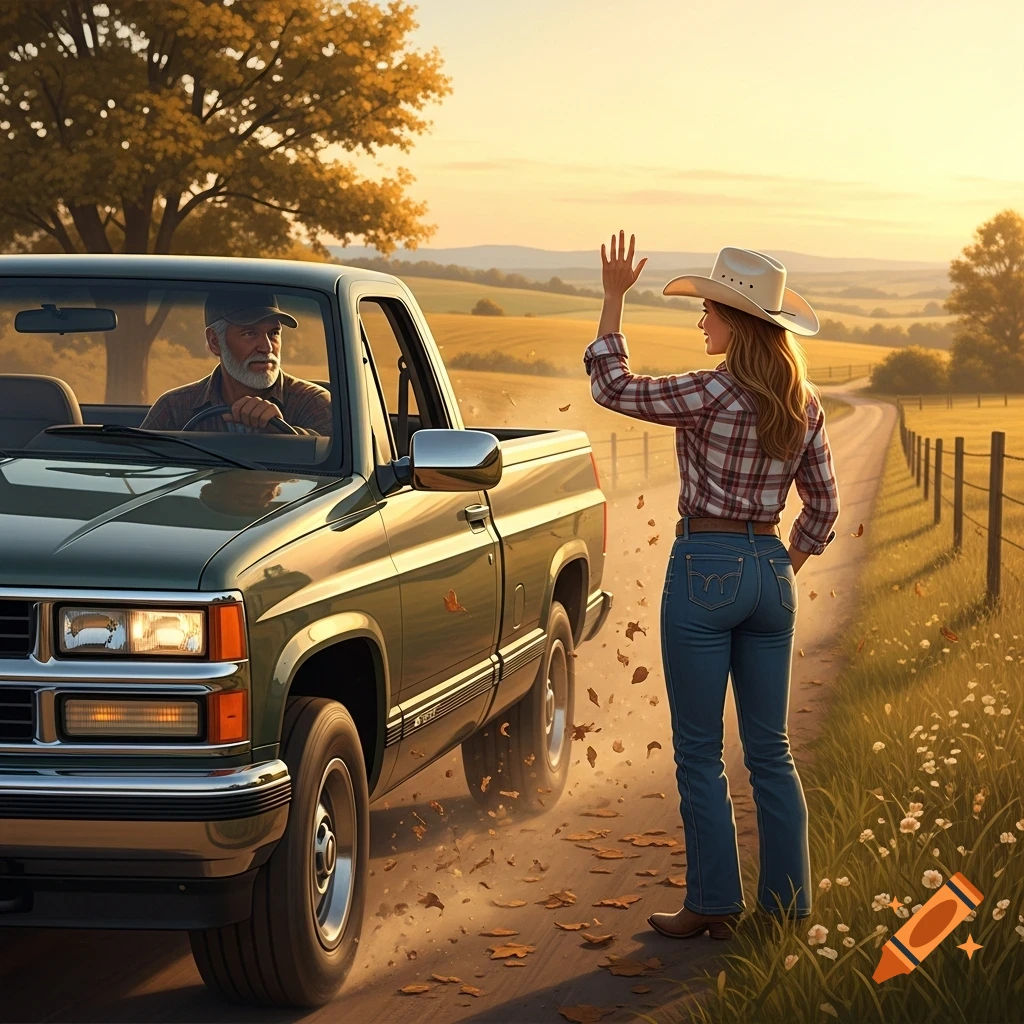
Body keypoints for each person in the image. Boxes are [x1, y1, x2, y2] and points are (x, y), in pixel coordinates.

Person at [583, 232, 840, 940]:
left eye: (712, 312)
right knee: (771, 751)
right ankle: (788, 910)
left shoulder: (711, 389)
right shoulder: (805, 401)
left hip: (705, 567)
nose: (702, 321)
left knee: (699, 749)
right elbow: (824, 506)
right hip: (770, 573)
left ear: (741, 323)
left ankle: (713, 903)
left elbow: (612, 388)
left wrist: (613, 298)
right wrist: (784, 559)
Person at [141, 289, 332, 436]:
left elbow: (337, 465)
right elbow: (137, 468)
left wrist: (284, 435)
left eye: (274, 333)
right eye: (250, 333)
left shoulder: (313, 403)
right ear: (215, 341)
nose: (266, 347)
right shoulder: (175, 407)